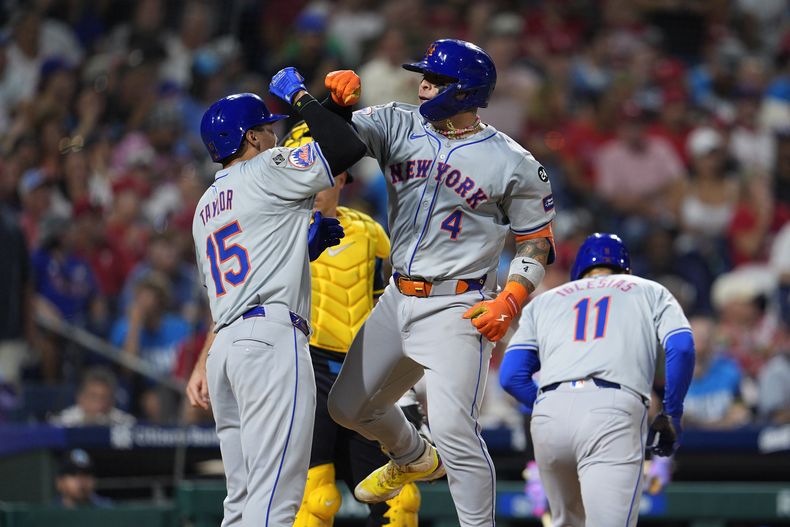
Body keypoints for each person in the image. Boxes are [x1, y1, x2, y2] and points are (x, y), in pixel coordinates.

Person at [324, 39, 556, 526]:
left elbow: (536, 241)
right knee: (346, 408)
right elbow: (336, 144)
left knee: (455, 430)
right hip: (396, 296)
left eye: (435, 79)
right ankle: (411, 455)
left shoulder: (511, 160)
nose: (423, 85)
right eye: (423, 76)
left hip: (459, 304)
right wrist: (331, 108)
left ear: (465, 91)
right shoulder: (397, 121)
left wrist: (511, 299)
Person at [185, 69, 366, 527]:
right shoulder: (265, 169)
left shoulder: (204, 206)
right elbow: (345, 150)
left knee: (242, 500)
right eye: (268, 128)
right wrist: (304, 98)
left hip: (226, 349)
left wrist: (302, 250)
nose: (275, 134)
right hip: (269, 342)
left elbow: (245, 272)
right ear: (250, 138)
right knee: (276, 499)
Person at [499, 233, 696, 527]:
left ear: (580, 270)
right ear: (625, 269)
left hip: (549, 418)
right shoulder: (649, 290)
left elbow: (511, 376)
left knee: (566, 523)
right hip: (611, 409)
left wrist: (550, 403)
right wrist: (672, 413)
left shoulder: (546, 300)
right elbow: (681, 347)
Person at [283, 122, 422, 527]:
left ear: (340, 176)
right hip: (306, 368)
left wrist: (405, 384)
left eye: (320, 171)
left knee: (400, 503)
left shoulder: (369, 233)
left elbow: (390, 307)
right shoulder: (276, 232)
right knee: (316, 500)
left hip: (364, 370)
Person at [50, 366, 135, 427]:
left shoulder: (125, 422)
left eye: (104, 398)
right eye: (93, 397)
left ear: (112, 401)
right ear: (80, 398)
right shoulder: (63, 422)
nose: (99, 405)